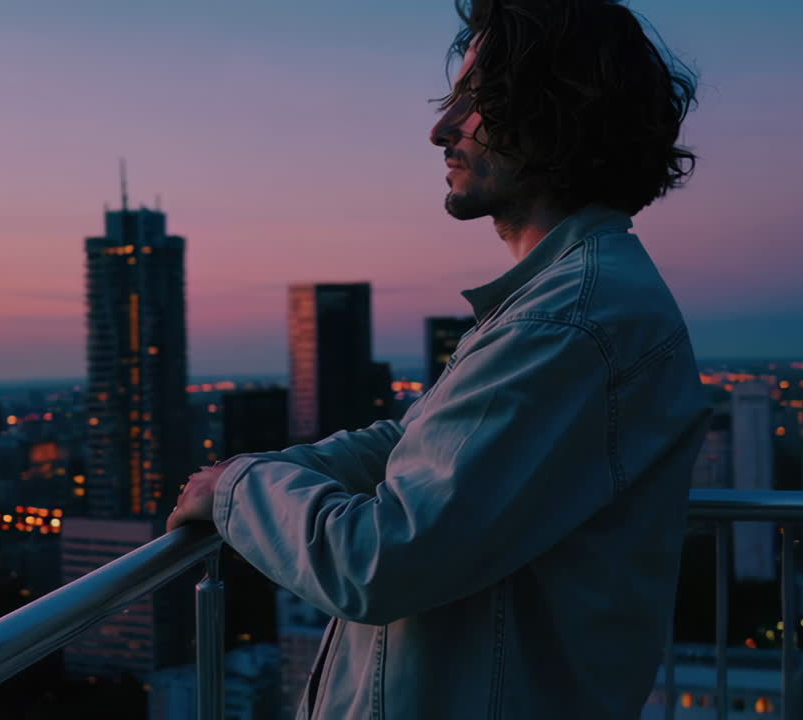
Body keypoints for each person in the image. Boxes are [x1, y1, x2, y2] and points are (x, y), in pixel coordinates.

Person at [167, 0, 710, 716]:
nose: (440, 129)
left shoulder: (567, 321)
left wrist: (238, 490)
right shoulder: (564, 299)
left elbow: (380, 560)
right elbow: (415, 444)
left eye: (475, 101)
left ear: (560, 114)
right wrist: (261, 475)